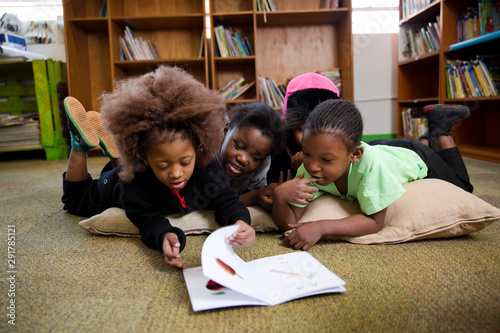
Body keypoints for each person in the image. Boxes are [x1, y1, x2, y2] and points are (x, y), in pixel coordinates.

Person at [62, 66, 255, 268]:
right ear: (143, 157)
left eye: (185, 162)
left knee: (129, 169)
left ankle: (118, 155)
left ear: (198, 148)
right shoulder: (135, 186)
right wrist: (164, 234)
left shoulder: (208, 168)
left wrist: (240, 221)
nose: (176, 173)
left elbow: (227, 201)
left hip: (138, 166)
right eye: (164, 165)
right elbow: (148, 221)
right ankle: (79, 145)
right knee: (74, 200)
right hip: (114, 185)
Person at [272, 99, 473, 251]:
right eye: (307, 153)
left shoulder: (371, 168)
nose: (312, 166)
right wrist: (280, 197)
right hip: (379, 148)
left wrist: (321, 227)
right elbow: (290, 223)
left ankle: (439, 129)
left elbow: (375, 223)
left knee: (464, 188)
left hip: (416, 156)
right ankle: (426, 138)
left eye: (325, 160)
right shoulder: (309, 166)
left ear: (355, 155)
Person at [267, 72, 340, 184]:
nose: (311, 138)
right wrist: (296, 170)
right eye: (301, 129)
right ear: (289, 127)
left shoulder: (343, 152)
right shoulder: (277, 155)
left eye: (321, 127)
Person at [217, 102, 283, 211]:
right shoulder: (207, 156)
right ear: (226, 131)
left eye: (256, 158)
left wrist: (267, 192)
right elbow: (211, 205)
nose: (243, 159)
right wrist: (253, 197)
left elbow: (258, 190)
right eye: (238, 146)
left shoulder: (263, 161)